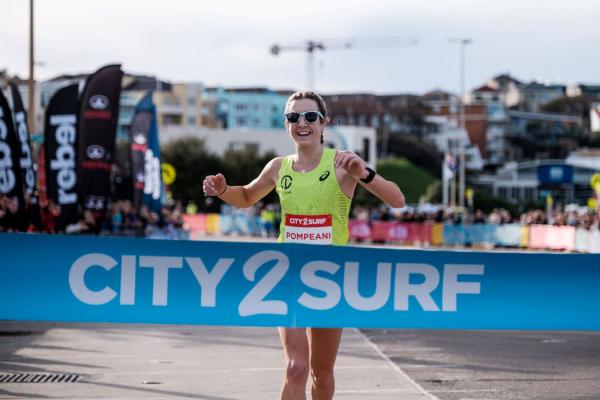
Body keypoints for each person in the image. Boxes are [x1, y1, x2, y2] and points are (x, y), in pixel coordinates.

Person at [202, 91, 404, 400]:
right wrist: (223, 190)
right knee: (296, 367)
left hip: (328, 280)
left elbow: (397, 199)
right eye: (294, 117)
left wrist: (364, 172)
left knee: (320, 376)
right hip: (288, 276)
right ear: (286, 124)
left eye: (310, 117)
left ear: (324, 123)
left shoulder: (341, 164)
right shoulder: (278, 167)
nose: (303, 123)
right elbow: (244, 197)